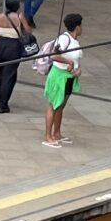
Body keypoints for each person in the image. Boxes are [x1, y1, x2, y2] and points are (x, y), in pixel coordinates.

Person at [40, 12, 84, 146]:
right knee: (54, 105)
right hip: (59, 76)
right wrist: (69, 63)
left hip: (69, 77)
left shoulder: (74, 40)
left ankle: (57, 133)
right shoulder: (64, 39)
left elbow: (74, 57)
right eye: (81, 25)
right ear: (77, 26)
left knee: (60, 106)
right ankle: (48, 136)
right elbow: (53, 55)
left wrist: (77, 68)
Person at [0, 2, 31, 115]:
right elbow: (28, 31)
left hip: (0, 45)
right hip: (13, 46)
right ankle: (2, 105)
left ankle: (1, 100)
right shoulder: (19, 16)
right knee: (9, 76)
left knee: (2, 73)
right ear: (17, 7)